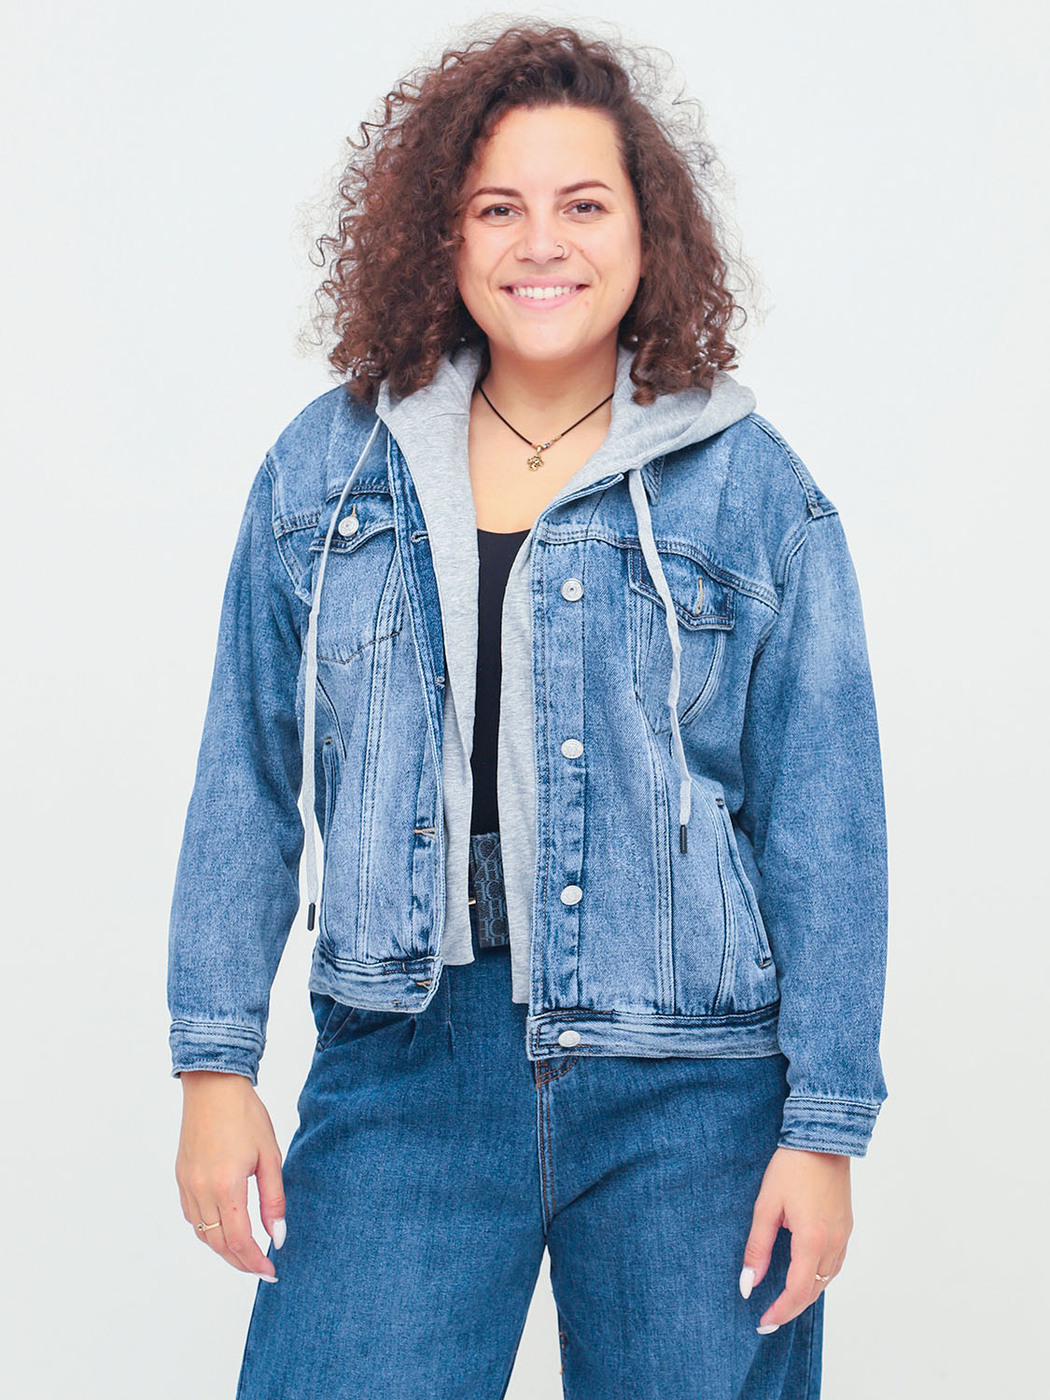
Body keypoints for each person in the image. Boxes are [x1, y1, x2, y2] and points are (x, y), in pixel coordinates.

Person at [168, 20, 888, 1400]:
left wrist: (825, 1127)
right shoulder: (329, 467)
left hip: (693, 1084)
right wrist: (215, 1065)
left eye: (583, 205)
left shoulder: (753, 490)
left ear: (647, 233)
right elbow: (244, 774)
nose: (539, 243)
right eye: (497, 207)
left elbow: (825, 825)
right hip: (404, 1060)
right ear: (440, 234)